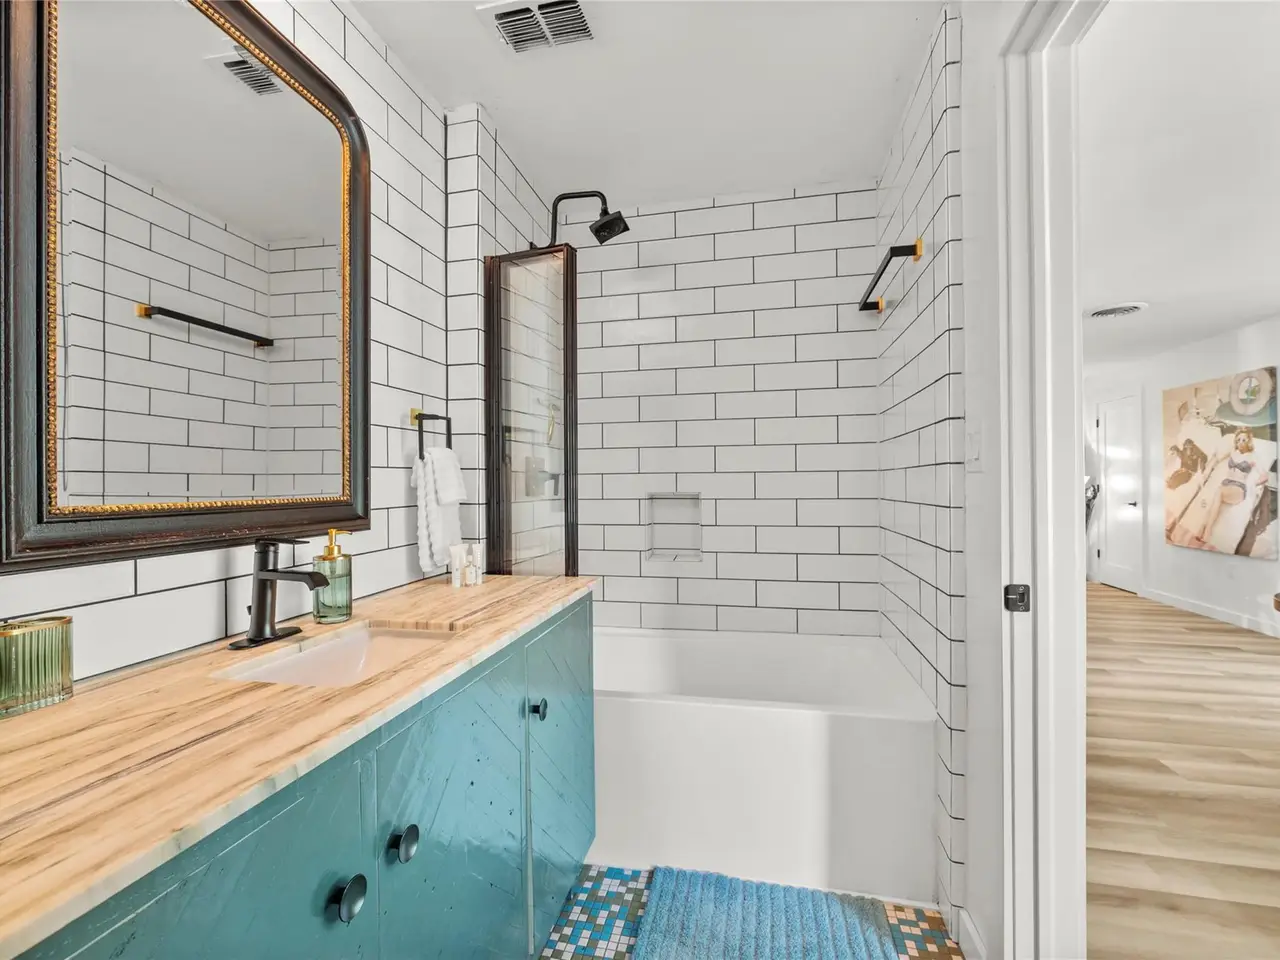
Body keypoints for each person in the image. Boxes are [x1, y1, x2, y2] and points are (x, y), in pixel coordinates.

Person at [1195, 428, 1269, 548]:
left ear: (1249, 441)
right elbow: (1216, 459)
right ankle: (1203, 528)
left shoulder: (1253, 456)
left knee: (1218, 492)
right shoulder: (1232, 452)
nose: (1240, 442)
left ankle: (1206, 530)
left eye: (1244, 440)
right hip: (1226, 485)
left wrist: (1253, 484)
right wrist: (1206, 471)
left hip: (1239, 489)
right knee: (1216, 496)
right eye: (1238, 440)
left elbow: (1264, 476)